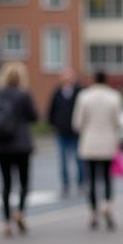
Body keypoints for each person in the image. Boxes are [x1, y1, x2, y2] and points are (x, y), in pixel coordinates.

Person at [0, 62, 38, 237]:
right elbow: (34, 116)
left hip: (2, 145)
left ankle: (6, 222)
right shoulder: (23, 94)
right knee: (23, 182)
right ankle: (20, 212)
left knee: (5, 184)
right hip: (21, 145)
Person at [72, 70, 123, 230]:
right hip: (108, 141)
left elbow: (78, 123)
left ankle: (94, 212)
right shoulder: (114, 97)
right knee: (107, 177)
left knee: (91, 178)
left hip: (90, 142)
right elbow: (118, 122)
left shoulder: (84, 96)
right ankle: (107, 205)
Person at [48, 68, 85, 196]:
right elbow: (51, 110)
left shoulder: (80, 91)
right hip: (62, 132)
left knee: (79, 160)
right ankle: (65, 184)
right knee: (63, 161)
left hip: (76, 132)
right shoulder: (58, 92)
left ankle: (81, 183)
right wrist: (54, 124)